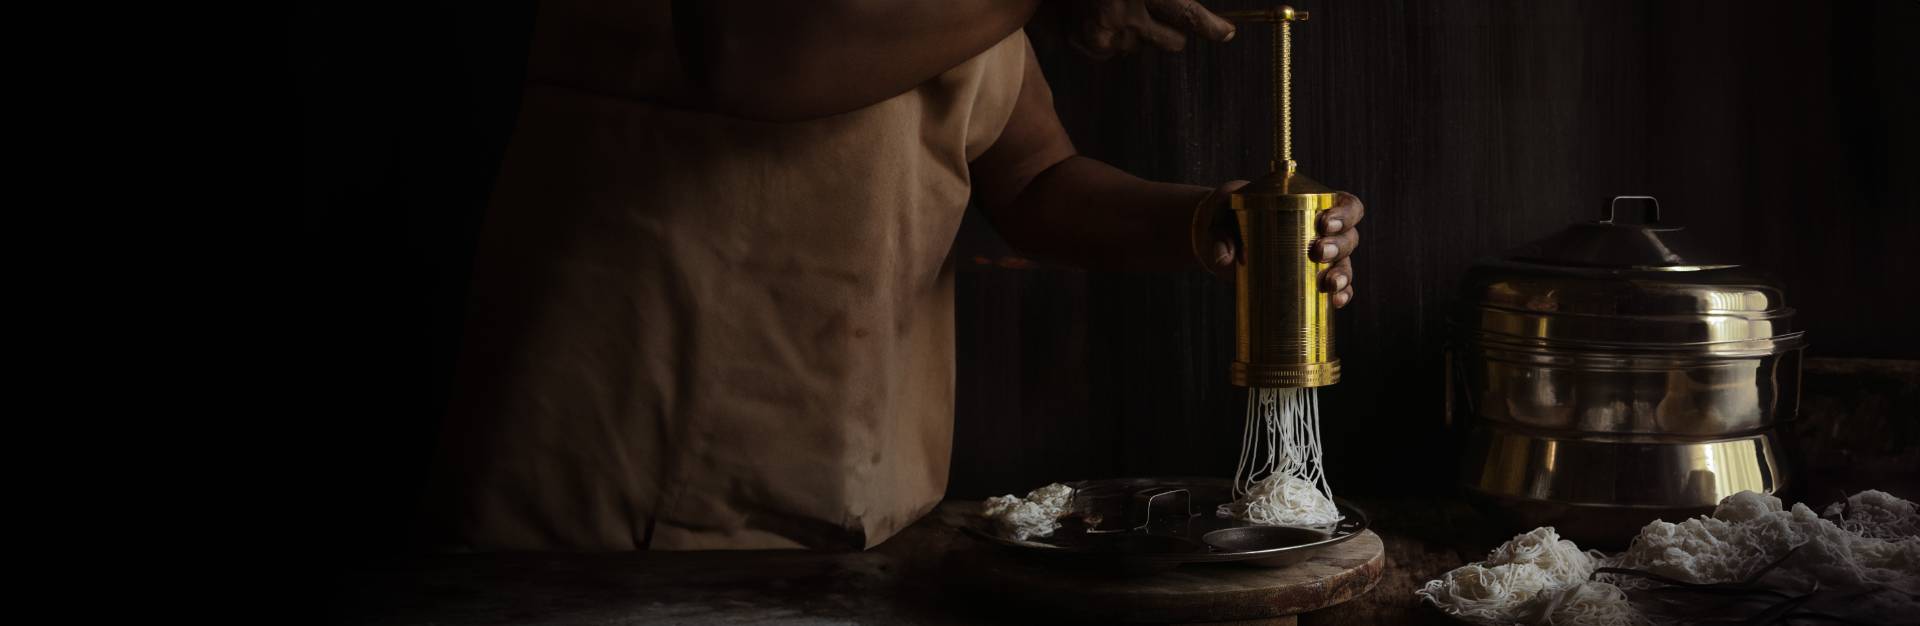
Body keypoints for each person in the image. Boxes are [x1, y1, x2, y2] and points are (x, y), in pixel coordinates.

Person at [425, 0, 1365, 551]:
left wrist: (1217, 225)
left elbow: (1032, 176)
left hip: (840, 504)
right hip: (614, 496)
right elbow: (754, 48)